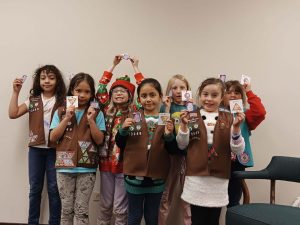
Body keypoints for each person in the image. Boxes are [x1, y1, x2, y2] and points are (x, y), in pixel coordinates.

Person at [178, 78, 245, 225]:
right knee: (197, 220)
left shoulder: (229, 118)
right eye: (205, 94)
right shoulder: (191, 116)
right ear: (200, 96)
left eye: (214, 95)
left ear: (222, 98)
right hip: (196, 178)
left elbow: (238, 150)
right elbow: (182, 145)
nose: (209, 99)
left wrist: (236, 129)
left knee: (213, 220)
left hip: (218, 179)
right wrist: (183, 127)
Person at [115, 78, 179, 225]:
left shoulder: (165, 119)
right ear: (139, 99)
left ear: (160, 97)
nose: (148, 99)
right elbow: (120, 143)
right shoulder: (133, 117)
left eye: (152, 95)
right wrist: (123, 130)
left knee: (152, 217)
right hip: (133, 178)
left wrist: (169, 135)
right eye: (144, 96)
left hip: (157, 179)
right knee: (134, 216)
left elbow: (173, 150)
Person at [8, 65, 66, 225]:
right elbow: (13, 114)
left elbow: (74, 115)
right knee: (35, 189)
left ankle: (54, 222)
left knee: (55, 190)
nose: (47, 81)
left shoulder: (64, 100)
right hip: (36, 150)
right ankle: (32, 222)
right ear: (38, 80)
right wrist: (15, 92)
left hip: (56, 150)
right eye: (43, 78)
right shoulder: (33, 100)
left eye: (51, 77)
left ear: (58, 80)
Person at [50, 73, 105, 225]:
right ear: (71, 91)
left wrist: (91, 120)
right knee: (66, 210)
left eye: (87, 92)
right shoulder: (61, 111)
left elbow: (100, 140)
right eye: (78, 90)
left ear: (92, 93)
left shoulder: (97, 113)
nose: (82, 95)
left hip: (86, 170)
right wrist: (67, 118)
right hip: (64, 168)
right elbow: (53, 138)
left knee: (81, 211)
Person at [96, 55, 144, 225]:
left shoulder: (135, 111)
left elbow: (144, 89)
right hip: (105, 162)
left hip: (125, 164)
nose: (118, 94)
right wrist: (113, 65)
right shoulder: (105, 109)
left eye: (122, 91)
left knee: (120, 207)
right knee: (105, 204)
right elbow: (101, 87)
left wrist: (136, 68)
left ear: (130, 95)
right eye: (115, 91)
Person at [224, 80, 266, 207]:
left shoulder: (245, 115)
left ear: (242, 97)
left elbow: (260, 113)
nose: (232, 95)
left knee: (233, 201)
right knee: (214, 201)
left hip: (237, 162)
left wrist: (249, 92)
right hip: (217, 160)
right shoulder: (214, 114)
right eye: (228, 92)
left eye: (236, 92)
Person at [159, 74, 193, 225]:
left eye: (182, 87)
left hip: (189, 156)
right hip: (171, 156)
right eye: (175, 88)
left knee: (188, 196)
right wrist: (165, 107)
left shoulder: (194, 108)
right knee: (166, 195)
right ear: (169, 90)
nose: (178, 91)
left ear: (188, 90)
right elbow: (161, 129)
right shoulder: (166, 107)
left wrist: (192, 109)